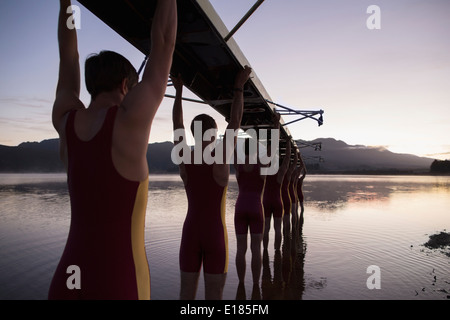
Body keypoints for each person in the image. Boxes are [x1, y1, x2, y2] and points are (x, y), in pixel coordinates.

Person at [48, 0, 177, 300]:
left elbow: (68, 56)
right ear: (124, 86)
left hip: (68, 281)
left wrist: (66, 3)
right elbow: (165, 41)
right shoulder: (128, 121)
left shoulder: (65, 121)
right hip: (119, 283)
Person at [172, 66, 252, 300]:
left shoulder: (184, 159)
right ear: (214, 135)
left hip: (190, 234)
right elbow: (236, 122)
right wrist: (239, 86)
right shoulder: (220, 158)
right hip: (214, 235)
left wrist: (178, 93)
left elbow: (177, 125)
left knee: (185, 295)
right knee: (214, 297)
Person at [233, 137, 266, 299]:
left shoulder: (238, 164)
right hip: (255, 207)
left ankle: (240, 284)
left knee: (241, 249)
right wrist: (274, 125)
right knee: (255, 249)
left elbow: (231, 147)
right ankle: (254, 285)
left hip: (240, 207)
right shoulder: (261, 165)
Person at [263, 132, 291, 252]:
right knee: (278, 229)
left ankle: (264, 250)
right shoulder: (280, 172)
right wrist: (288, 143)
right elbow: (287, 158)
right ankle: (277, 251)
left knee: (266, 228)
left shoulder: (264, 169)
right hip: (277, 201)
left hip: (266, 201)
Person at [282, 150, 297, 239]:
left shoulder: (267, 172)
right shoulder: (288, 175)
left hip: (270, 199)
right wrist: (296, 155)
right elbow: (294, 164)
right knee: (291, 216)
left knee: (268, 227)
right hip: (287, 198)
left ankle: (274, 250)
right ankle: (287, 237)